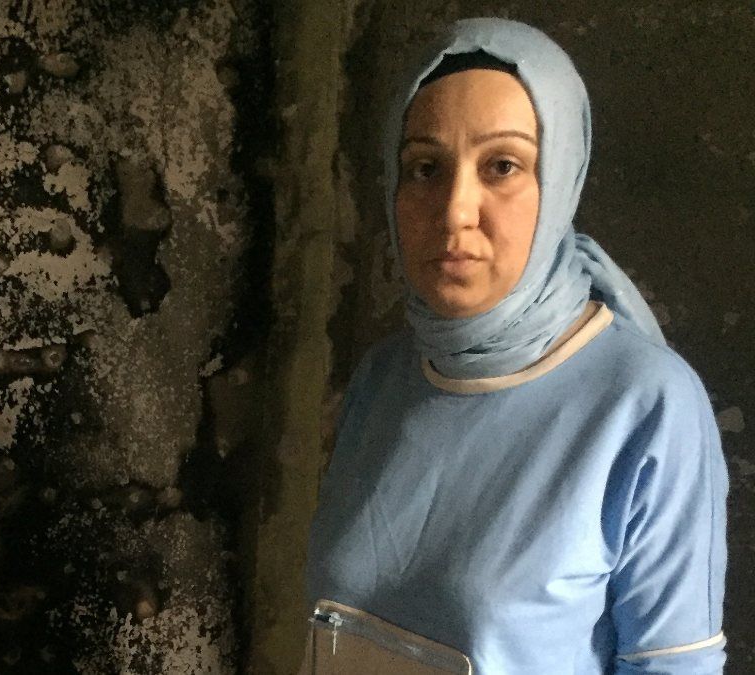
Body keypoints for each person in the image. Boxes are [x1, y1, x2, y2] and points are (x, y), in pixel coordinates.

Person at [304, 18, 728, 674]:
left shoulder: (645, 405)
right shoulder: (382, 379)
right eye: (425, 168)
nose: (455, 211)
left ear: (559, 181)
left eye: (502, 166)